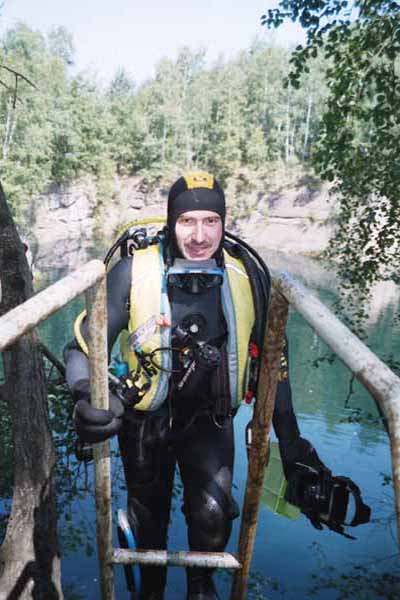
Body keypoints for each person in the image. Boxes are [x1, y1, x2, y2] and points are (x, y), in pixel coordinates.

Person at [64, 172, 368, 600]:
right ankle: (149, 593)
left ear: (224, 223)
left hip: (210, 420)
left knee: (212, 516)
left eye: (211, 221)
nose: (199, 235)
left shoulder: (248, 276)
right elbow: (80, 348)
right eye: (187, 221)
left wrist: (291, 441)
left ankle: (201, 588)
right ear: (171, 221)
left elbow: (273, 362)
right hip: (144, 422)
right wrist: (84, 396)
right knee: (148, 525)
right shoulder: (133, 272)